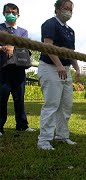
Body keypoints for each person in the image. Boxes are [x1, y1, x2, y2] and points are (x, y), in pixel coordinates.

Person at [37, 0, 80, 150]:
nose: (68, 11)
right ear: (57, 9)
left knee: (66, 105)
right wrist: (59, 65)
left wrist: (77, 68)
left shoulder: (70, 31)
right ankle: (44, 140)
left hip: (65, 69)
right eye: (65, 8)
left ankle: (62, 135)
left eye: (70, 9)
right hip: (50, 67)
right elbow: (48, 46)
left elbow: (71, 52)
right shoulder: (50, 24)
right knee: (52, 104)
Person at [0, 3, 35, 136]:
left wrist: (12, 46)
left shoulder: (23, 31)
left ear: (18, 15)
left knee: (19, 98)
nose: (11, 14)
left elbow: (23, 44)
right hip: (3, 69)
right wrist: (2, 48)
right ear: (4, 13)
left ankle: (22, 125)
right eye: (8, 12)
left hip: (19, 69)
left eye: (14, 12)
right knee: (2, 98)